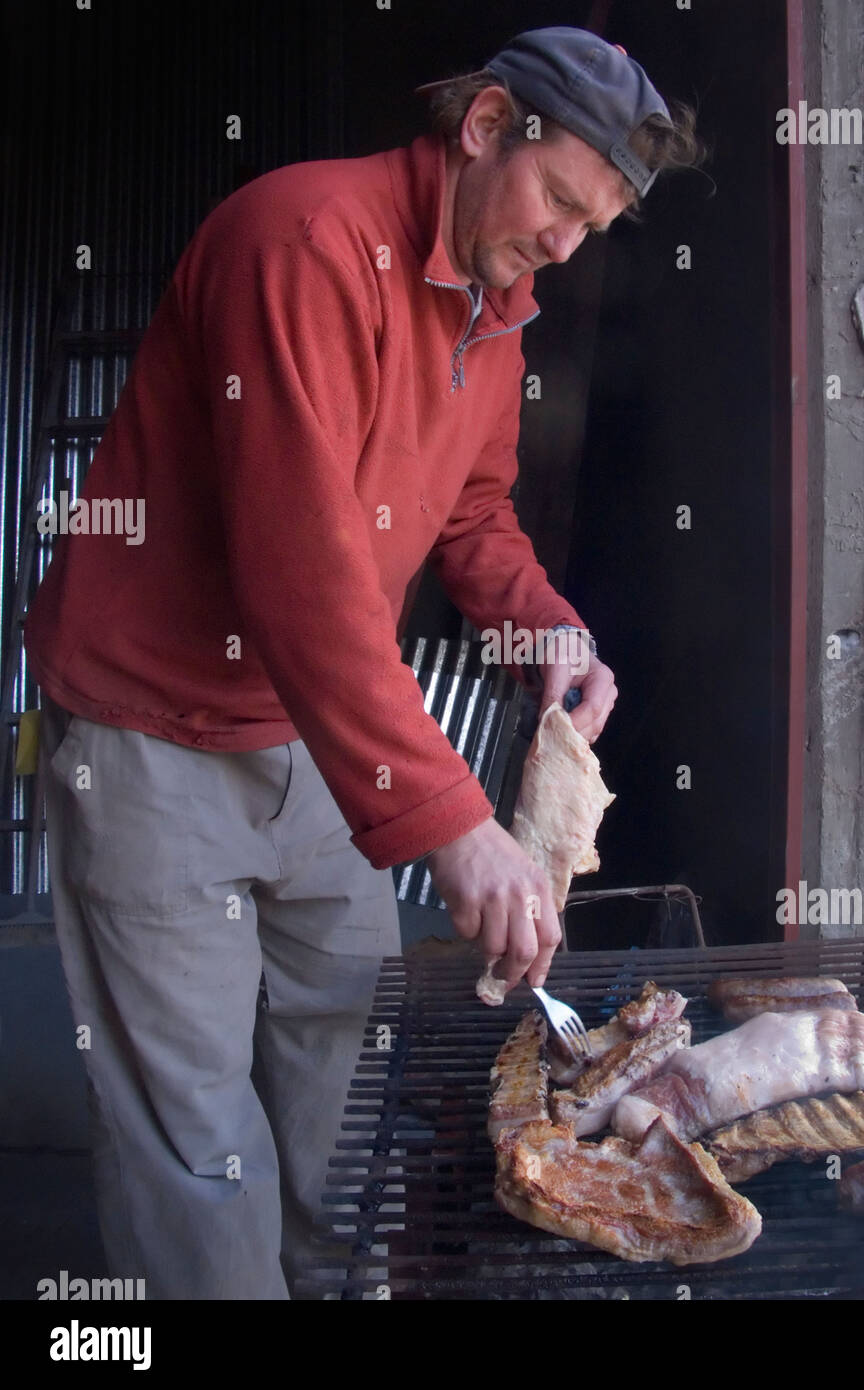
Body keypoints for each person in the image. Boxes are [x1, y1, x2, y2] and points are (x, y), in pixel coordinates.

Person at [25, 26, 700, 1298]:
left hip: (318, 742)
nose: (564, 245)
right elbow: (303, 574)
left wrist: (542, 625)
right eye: (560, 201)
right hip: (152, 737)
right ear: (489, 125)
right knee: (200, 1137)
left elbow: (472, 513)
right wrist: (454, 821)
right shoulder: (302, 243)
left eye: (592, 227)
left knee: (348, 1067)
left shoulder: (495, 307)